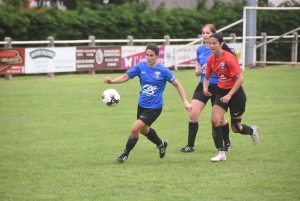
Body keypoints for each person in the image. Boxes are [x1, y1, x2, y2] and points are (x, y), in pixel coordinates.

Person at [104, 43, 192, 164]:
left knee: (135, 129)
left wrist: (185, 101)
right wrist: (112, 81)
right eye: (147, 55)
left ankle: (125, 154)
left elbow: (177, 84)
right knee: (143, 130)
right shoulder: (141, 67)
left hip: (155, 107)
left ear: (157, 56)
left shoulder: (163, 71)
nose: (149, 58)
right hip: (142, 104)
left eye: (151, 55)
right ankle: (161, 144)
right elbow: (126, 77)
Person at [203, 33, 259, 162]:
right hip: (221, 92)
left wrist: (230, 95)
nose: (211, 45)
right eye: (209, 43)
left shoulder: (228, 58)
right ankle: (221, 153)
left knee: (236, 128)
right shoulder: (211, 60)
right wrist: (205, 88)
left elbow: (240, 79)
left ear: (221, 44)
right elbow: (206, 78)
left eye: (214, 43)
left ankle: (252, 130)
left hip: (236, 94)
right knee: (215, 120)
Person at [179, 24, 231, 153]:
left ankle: (227, 143)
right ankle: (190, 145)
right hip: (203, 85)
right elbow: (198, 61)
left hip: (219, 87)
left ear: (213, 34)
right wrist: (197, 68)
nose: (205, 35)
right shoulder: (200, 49)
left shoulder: (219, 50)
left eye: (208, 33)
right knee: (193, 114)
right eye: (203, 33)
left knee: (219, 119)